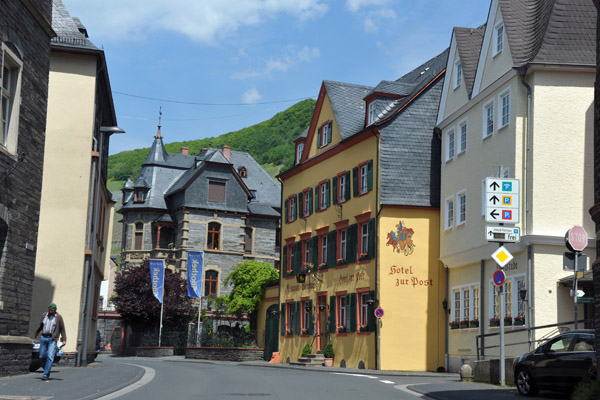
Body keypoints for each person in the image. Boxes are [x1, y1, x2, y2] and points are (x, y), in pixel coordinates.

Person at [34, 303, 66, 381]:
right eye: (50, 309)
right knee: (41, 356)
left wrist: (64, 339)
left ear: (55, 310)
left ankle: (45, 374)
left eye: (52, 309)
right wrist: (37, 333)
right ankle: (46, 370)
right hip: (43, 337)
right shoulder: (44, 315)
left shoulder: (58, 317)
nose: (51, 310)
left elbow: (62, 329)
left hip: (52, 339)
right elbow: (41, 325)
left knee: (50, 357)